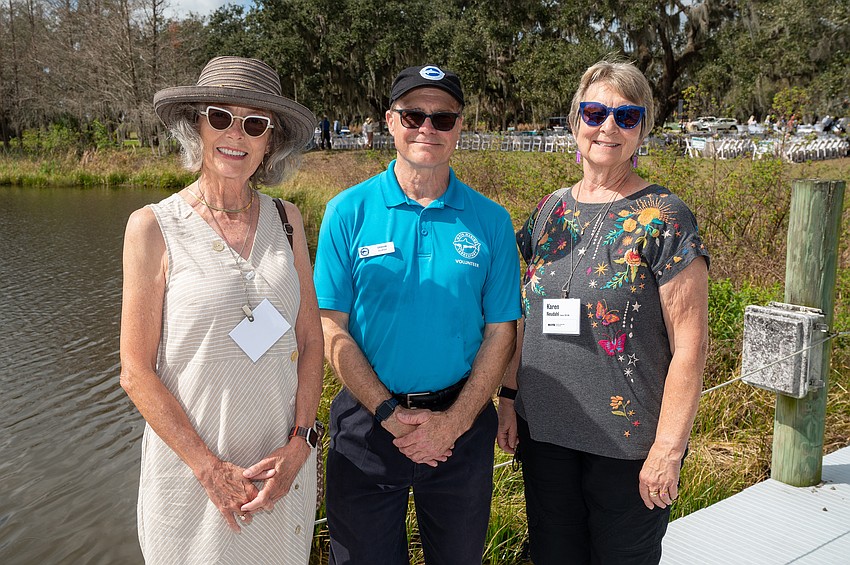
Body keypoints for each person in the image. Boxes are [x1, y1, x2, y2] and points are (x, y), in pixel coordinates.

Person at [497, 59, 710, 565]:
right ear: (575, 122)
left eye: (626, 116)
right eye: (594, 113)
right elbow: (521, 317)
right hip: (544, 432)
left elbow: (692, 345)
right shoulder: (549, 212)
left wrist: (669, 450)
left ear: (642, 129)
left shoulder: (666, 218)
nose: (607, 127)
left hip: (630, 445)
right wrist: (508, 397)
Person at [313, 64, 521, 565]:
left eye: (442, 119)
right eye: (413, 115)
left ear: (459, 129)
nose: (427, 128)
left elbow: (501, 333)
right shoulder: (348, 211)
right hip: (367, 424)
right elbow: (330, 328)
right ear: (390, 121)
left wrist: (452, 424)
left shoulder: (491, 220)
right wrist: (389, 414)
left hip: (462, 429)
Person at [119, 56, 324, 564]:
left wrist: (301, 443)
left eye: (255, 123)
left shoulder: (288, 219)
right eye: (220, 117)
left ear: (270, 141)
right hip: (192, 481)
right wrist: (210, 469)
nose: (236, 134)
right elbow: (135, 372)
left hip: (280, 475)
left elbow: (312, 339)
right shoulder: (152, 227)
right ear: (197, 125)